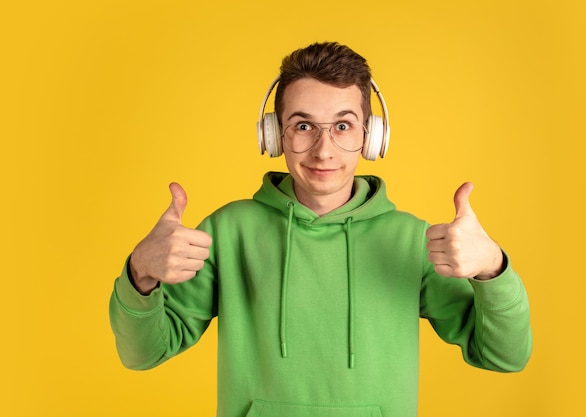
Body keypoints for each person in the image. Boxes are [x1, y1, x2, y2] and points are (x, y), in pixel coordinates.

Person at [109, 42, 532, 417]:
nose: (324, 150)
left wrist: (492, 269)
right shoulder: (228, 231)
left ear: (371, 136)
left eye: (343, 126)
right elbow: (143, 354)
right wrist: (140, 273)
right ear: (275, 134)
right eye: (304, 125)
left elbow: (504, 357)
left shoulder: (413, 241)